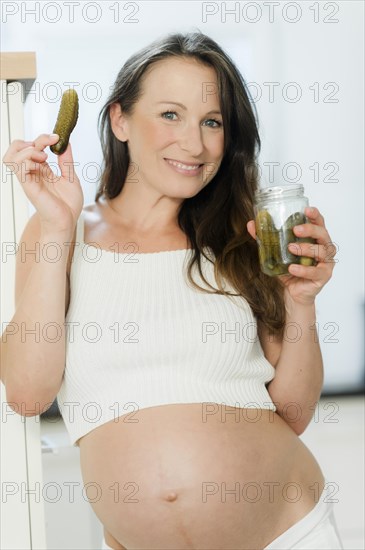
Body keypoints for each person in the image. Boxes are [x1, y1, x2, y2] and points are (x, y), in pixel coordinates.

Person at [1, 31, 343, 550]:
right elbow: (28, 392)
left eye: (213, 122)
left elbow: (293, 414)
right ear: (120, 120)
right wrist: (54, 226)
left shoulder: (244, 237)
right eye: (170, 115)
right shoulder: (60, 232)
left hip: (289, 533)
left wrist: (300, 303)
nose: (195, 143)